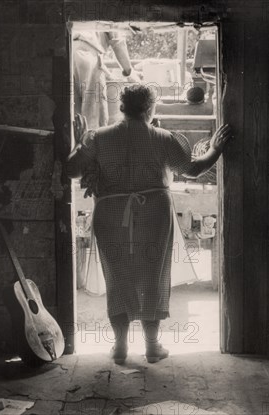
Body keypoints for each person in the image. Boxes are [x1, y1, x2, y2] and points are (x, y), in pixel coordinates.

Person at [66, 84, 233, 364]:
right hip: (154, 215)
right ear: (150, 109)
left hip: (110, 215)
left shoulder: (97, 138)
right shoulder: (163, 138)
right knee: (152, 278)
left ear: (121, 108)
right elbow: (193, 169)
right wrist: (216, 148)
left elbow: (71, 170)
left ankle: (120, 347)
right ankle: (152, 346)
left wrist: (77, 140)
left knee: (117, 278)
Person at [73, 31, 142, 129]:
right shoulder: (111, 17)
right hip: (90, 53)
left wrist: (108, 74)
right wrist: (130, 73)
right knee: (94, 113)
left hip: (71, 52)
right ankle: (93, 142)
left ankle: (78, 142)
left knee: (75, 113)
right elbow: (118, 44)